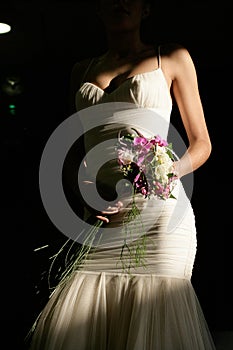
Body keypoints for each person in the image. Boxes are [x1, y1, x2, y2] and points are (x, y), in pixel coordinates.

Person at [28, 0, 216, 349]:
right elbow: (74, 152)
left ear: (146, 8)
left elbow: (202, 143)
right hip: (102, 215)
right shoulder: (81, 70)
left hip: (158, 213)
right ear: (97, 9)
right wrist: (81, 190)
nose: (119, 2)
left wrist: (169, 171)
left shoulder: (172, 57)